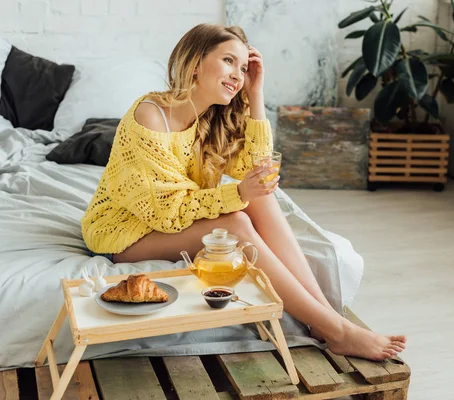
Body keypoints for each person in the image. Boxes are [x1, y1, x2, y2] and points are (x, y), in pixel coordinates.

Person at [81, 24, 406, 361]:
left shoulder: (210, 116)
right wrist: (237, 193)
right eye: (228, 61)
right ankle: (336, 330)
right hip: (123, 233)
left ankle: (326, 320)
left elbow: (258, 167)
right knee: (235, 224)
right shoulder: (150, 115)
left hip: (167, 224)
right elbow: (168, 212)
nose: (238, 75)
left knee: (260, 197)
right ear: (195, 63)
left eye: (243, 67)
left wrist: (255, 95)